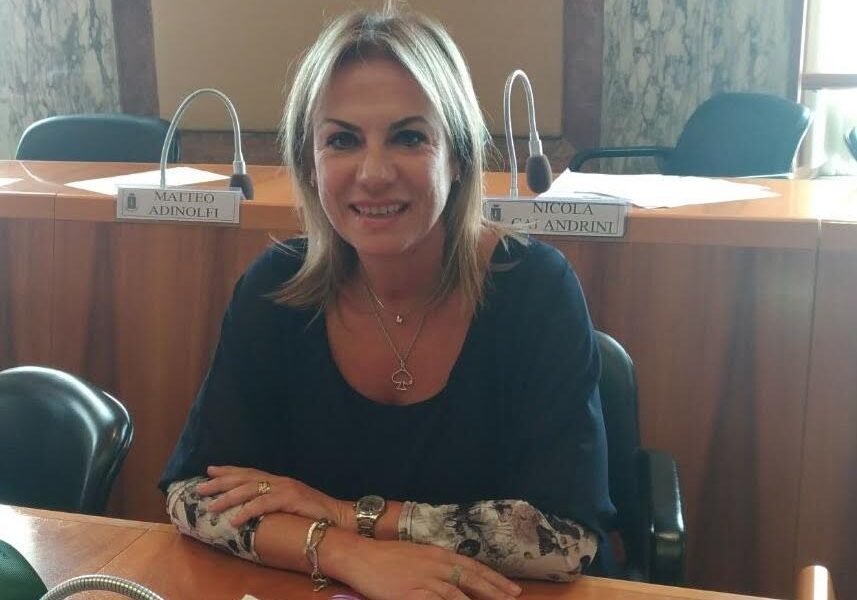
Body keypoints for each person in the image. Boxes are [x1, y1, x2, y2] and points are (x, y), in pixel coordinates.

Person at [159, 4, 615, 599]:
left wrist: (344, 514)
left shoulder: (537, 289)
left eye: (408, 137)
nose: (373, 173)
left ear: (458, 156)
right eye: (342, 140)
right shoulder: (274, 288)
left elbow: (564, 538)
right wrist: (346, 553)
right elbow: (193, 496)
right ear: (310, 163)